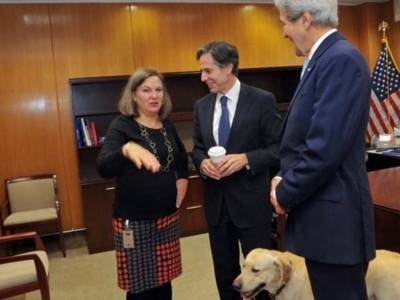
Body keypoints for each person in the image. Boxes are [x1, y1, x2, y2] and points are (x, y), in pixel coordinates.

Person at [270, 1, 376, 299]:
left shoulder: (340, 60)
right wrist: (283, 176)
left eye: (284, 23)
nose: (284, 32)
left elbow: (324, 149)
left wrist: (284, 192)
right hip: (325, 225)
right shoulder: (325, 60)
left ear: (304, 20)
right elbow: (303, 141)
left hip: (336, 230)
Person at [192, 40, 282, 300]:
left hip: (252, 205)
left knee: (261, 278)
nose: (203, 77)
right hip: (217, 207)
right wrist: (201, 163)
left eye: (208, 71)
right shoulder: (202, 106)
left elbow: (280, 148)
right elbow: (197, 149)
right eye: (201, 71)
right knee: (225, 275)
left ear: (228, 67)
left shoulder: (262, 100)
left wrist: (247, 158)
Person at [96, 67, 189, 300]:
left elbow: (181, 158)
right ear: (134, 95)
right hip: (134, 222)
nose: (154, 95)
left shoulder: (166, 124)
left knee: (163, 281)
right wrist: (126, 149)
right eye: (146, 90)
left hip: (166, 218)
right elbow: (104, 166)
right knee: (140, 287)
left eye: (158, 90)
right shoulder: (122, 125)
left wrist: (183, 179)